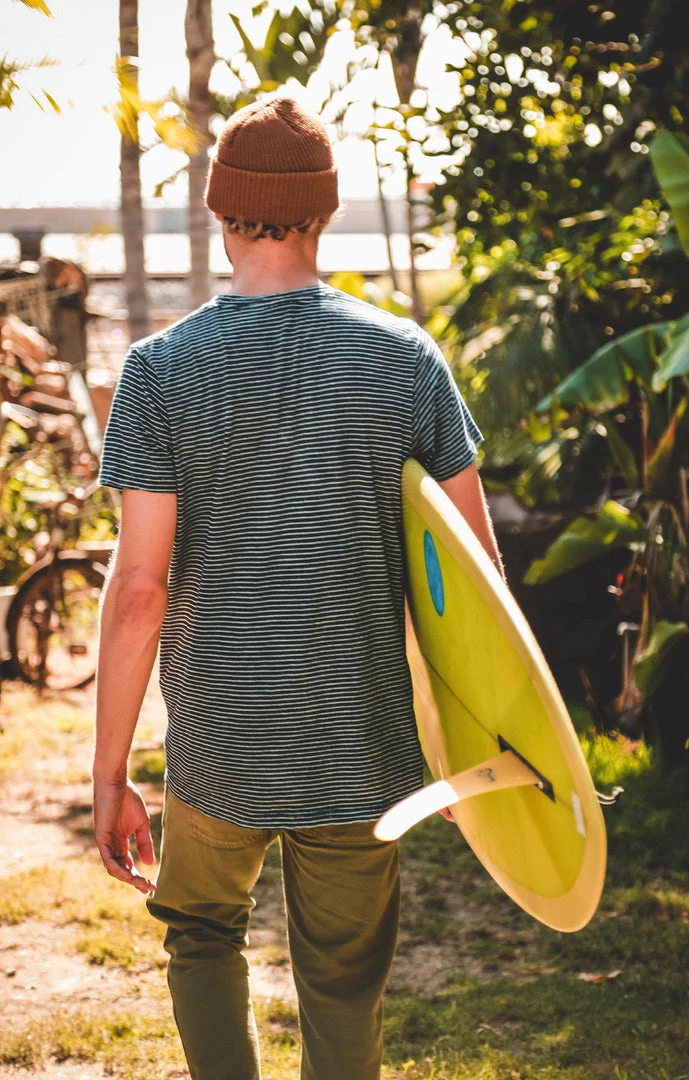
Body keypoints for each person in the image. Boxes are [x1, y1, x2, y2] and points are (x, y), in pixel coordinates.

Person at [93, 96, 503, 1080]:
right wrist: (475, 745)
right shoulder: (409, 360)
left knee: (198, 931)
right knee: (343, 975)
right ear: (325, 213)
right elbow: (475, 578)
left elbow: (140, 588)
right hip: (360, 738)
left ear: (218, 212)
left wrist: (110, 775)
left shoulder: (158, 371)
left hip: (217, 740)